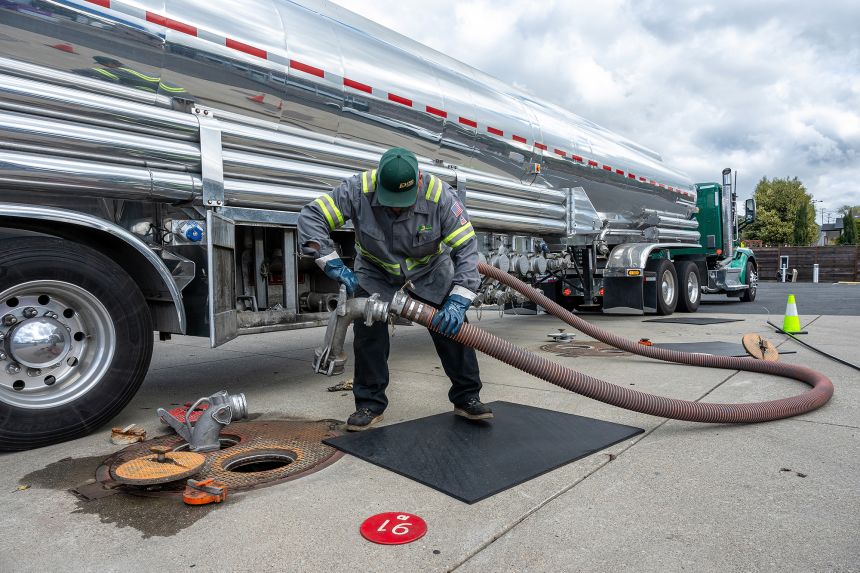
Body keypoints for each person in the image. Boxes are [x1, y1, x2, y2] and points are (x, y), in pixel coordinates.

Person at [298, 147, 493, 430]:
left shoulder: (440, 196)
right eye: (391, 201)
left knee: (454, 332)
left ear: (419, 181)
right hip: (375, 271)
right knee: (369, 335)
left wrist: (459, 299)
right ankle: (369, 404)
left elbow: (466, 247)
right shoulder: (357, 189)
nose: (397, 208)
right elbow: (312, 216)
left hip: (430, 272)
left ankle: (467, 398)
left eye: (404, 201)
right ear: (379, 184)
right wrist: (333, 265)